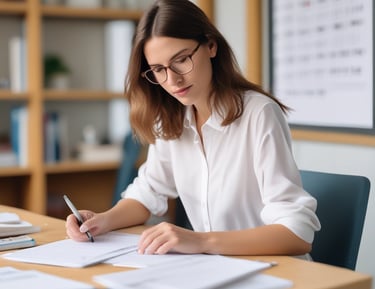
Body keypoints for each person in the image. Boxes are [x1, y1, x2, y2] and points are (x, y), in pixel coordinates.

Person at [66, 0, 321, 258]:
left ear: (211, 46)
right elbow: (148, 193)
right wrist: (100, 222)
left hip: (274, 271)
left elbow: (296, 233)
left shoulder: (259, 113)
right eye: (158, 70)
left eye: (181, 60)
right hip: (215, 270)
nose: (173, 80)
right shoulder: (171, 119)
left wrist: (201, 241)